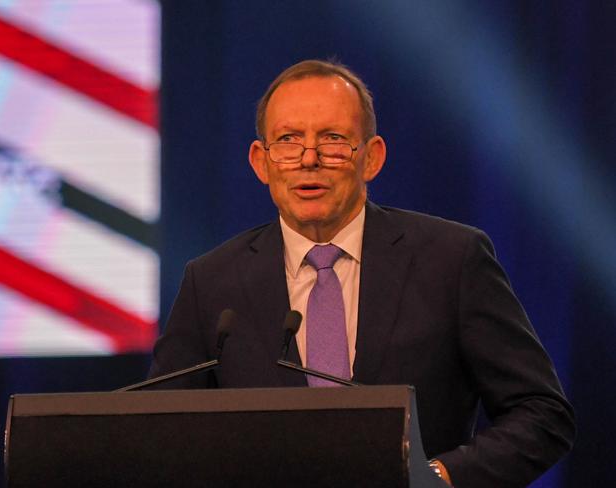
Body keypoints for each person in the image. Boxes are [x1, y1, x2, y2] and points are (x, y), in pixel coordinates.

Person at [149, 59, 575, 487]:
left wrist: (438, 479)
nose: (309, 160)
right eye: (288, 140)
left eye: (333, 140)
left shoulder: (451, 259)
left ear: (372, 158)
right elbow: (158, 432)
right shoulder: (212, 282)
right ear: (261, 162)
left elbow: (541, 413)